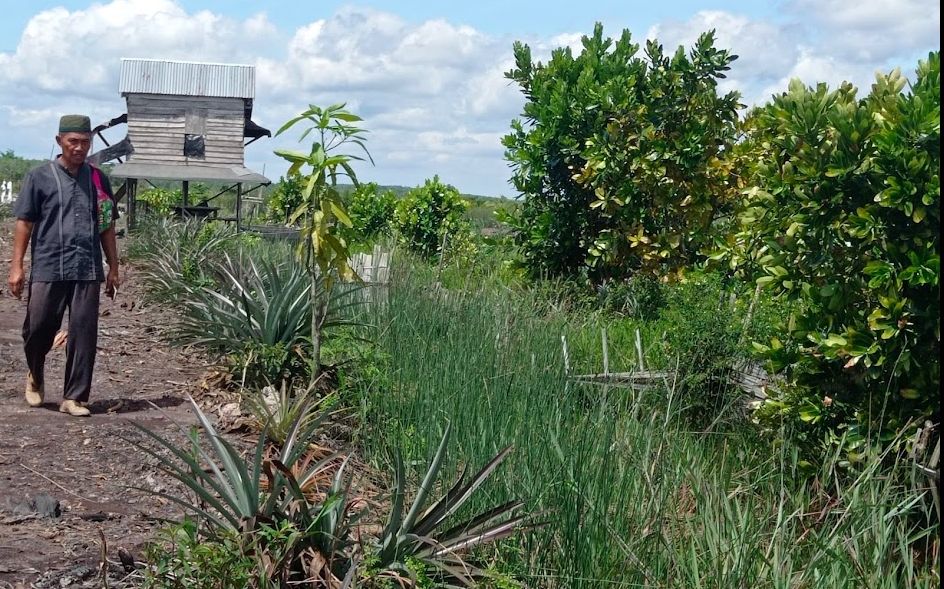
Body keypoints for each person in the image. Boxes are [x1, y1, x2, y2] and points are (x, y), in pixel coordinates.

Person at [6, 114, 120, 417]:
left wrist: (113, 266)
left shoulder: (98, 179)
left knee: (84, 332)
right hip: (48, 264)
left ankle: (74, 398)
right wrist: (17, 266)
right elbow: (24, 223)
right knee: (39, 326)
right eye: (73, 142)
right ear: (60, 142)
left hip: (87, 267)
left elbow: (106, 225)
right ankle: (35, 371)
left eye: (84, 142)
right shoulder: (39, 177)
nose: (79, 148)